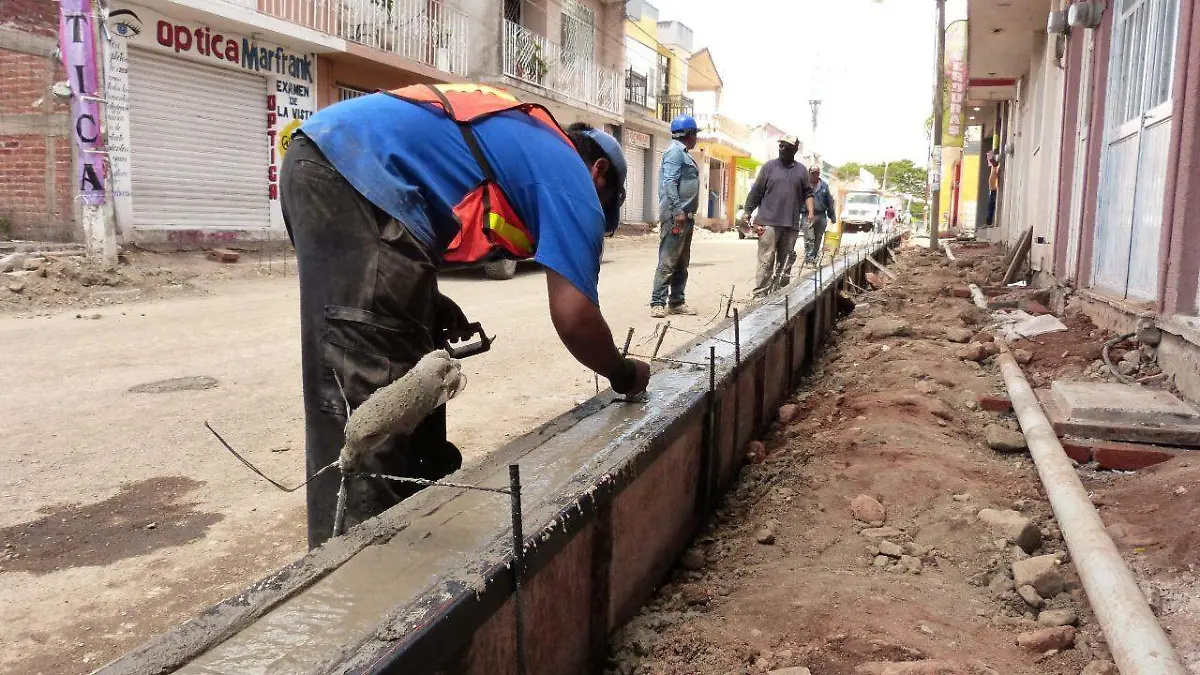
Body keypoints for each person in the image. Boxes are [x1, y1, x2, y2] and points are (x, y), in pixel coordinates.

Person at [281, 83, 651, 549]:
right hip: (346, 171)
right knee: (371, 403)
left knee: (413, 381)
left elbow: (420, 204)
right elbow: (575, 316)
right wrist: (622, 372)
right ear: (599, 172)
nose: (596, 217)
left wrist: (428, 302)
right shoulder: (570, 177)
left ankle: (418, 544)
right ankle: (360, 586)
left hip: (336, 161)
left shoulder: (526, 141)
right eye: (605, 206)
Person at [744, 135, 815, 296]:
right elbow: (756, 191)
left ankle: (781, 295)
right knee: (766, 259)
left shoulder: (801, 171)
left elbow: (808, 193)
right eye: (781, 145)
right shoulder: (769, 167)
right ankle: (760, 294)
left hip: (790, 224)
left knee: (785, 262)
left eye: (786, 146)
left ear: (795, 150)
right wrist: (748, 211)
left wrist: (811, 212)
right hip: (768, 222)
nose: (782, 148)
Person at [650, 114, 701, 318]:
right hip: (676, 216)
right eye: (695, 134)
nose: (696, 138)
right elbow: (669, 183)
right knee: (669, 260)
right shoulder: (674, 153)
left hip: (685, 216)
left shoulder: (683, 153)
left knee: (681, 262)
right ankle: (657, 302)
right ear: (688, 135)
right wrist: (678, 210)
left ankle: (677, 301)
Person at [805, 166, 836, 264]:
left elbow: (829, 202)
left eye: (817, 173)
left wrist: (832, 216)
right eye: (813, 173)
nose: (815, 175)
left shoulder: (824, 185)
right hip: (807, 215)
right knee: (809, 238)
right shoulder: (805, 185)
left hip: (821, 215)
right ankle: (809, 259)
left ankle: (814, 258)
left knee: (818, 239)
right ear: (809, 174)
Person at [987, 153, 1000, 226]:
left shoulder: (996, 168)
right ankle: (989, 223)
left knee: (991, 206)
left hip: (994, 190)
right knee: (990, 206)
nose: (990, 161)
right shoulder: (993, 168)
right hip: (992, 190)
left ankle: (990, 223)